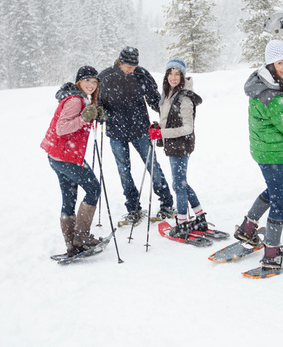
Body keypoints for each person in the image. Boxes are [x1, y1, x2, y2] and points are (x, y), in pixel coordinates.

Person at [234, 40, 283, 269]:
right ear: (271, 63)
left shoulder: (266, 84)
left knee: (273, 191)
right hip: (276, 153)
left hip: (266, 150)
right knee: (280, 201)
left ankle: (247, 229)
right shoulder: (274, 95)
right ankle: (272, 254)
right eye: (280, 62)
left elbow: (282, 111)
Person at [98, 46, 174, 224]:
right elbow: (98, 103)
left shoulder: (141, 75)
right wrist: (100, 114)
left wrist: (168, 111)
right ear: (120, 61)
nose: (132, 70)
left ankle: (167, 204)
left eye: (134, 67)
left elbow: (154, 99)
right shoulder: (105, 77)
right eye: (129, 67)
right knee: (124, 171)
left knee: (152, 166)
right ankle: (133, 208)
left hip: (140, 129)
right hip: (116, 133)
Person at [41, 66, 104, 257]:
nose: (91, 85)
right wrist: (85, 119)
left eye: (94, 82)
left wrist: (94, 117)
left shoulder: (78, 99)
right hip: (67, 157)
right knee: (94, 189)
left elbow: (73, 125)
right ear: (79, 82)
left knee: (69, 198)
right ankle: (81, 237)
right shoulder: (76, 101)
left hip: (57, 157)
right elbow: (62, 128)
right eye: (87, 81)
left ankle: (71, 244)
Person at [153, 57, 208, 239]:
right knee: (181, 182)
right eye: (170, 73)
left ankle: (183, 223)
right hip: (173, 145)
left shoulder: (184, 97)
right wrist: (158, 129)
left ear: (183, 76)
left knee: (178, 184)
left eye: (177, 74)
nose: (173, 77)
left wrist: (162, 134)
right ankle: (200, 217)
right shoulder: (168, 94)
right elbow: (167, 119)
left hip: (182, 145)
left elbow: (187, 128)